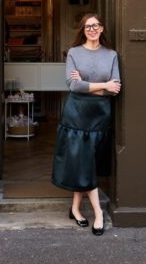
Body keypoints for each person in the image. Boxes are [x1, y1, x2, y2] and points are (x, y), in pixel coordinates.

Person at [52, 13, 121, 236]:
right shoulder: (74, 53)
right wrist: (103, 85)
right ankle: (98, 213)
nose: (91, 29)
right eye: (87, 26)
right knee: (86, 163)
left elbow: (116, 87)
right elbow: (73, 85)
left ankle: (74, 208)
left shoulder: (111, 55)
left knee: (87, 162)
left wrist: (88, 84)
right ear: (83, 30)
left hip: (100, 115)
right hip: (76, 115)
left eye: (95, 25)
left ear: (102, 29)